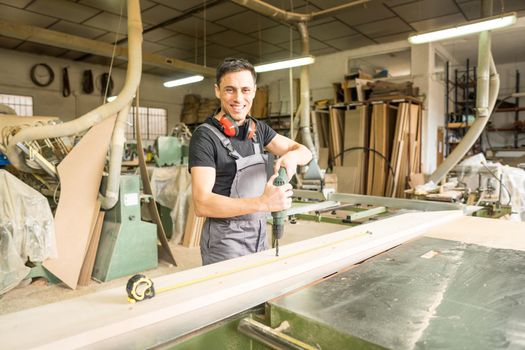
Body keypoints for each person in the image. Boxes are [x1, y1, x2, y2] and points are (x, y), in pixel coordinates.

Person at [189, 57, 312, 265]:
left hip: (259, 235)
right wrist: (263, 203)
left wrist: (291, 156)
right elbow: (202, 203)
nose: (238, 98)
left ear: (254, 91)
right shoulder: (204, 137)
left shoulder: (258, 130)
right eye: (230, 90)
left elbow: (305, 152)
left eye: (245, 90)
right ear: (217, 90)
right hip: (225, 244)